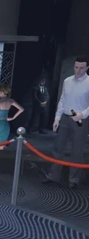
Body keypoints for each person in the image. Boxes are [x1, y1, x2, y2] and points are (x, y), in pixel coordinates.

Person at [44, 55, 89, 189]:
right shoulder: (67, 81)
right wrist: (57, 118)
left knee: (77, 149)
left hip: (80, 119)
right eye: (76, 67)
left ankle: (74, 179)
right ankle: (53, 176)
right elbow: (62, 100)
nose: (78, 70)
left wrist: (82, 114)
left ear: (87, 68)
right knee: (58, 147)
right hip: (65, 116)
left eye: (81, 68)